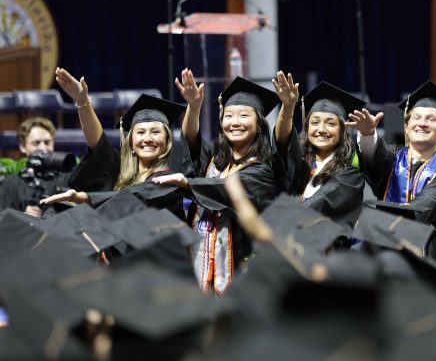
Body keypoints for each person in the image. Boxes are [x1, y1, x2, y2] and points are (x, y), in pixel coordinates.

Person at [152, 71, 278, 294]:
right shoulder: (212, 156)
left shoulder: (264, 168)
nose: (234, 122)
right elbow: (191, 140)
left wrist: (188, 183)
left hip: (240, 262)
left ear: (259, 124)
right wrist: (194, 106)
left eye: (243, 116)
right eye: (228, 116)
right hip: (200, 257)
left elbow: (227, 189)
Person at [40, 68, 187, 219]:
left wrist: (85, 197)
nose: (147, 138)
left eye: (155, 132)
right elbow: (99, 144)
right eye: (140, 132)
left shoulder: (171, 179)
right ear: (130, 141)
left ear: (167, 140)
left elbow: (138, 195)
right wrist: (82, 101)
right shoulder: (124, 173)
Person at [348, 80, 436, 234]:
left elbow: (426, 207)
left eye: (431, 119)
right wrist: (367, 133)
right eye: (416, 118)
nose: (422, 123)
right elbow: (375, 156)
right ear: (406, 126)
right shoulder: (393, 160)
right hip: (384, 252)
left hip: (424, 254)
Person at [272, 72, 365, 230]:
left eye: (330, 123)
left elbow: (324, 201)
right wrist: (287, 107)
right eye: (315, 123)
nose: (321, 129)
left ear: (342, 130)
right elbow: (283, 144)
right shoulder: (300, 165)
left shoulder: (350, 176)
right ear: (307, 128)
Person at [0, 116, 71, 216]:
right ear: (23, 147)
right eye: (36, 143)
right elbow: (4, 225)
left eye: (47, 142)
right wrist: (24, 217)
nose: (43, 148)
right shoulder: (10, 185)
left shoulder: (67, 179)